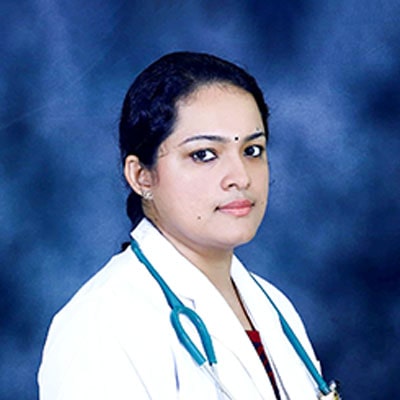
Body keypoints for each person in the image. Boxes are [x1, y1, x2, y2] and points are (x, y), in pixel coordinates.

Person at [38, 52, 331, 400]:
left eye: (252, 150)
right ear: (141, 176)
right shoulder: (98, 325)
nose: (240, 177)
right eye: (204, 154)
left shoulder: (274, 308)